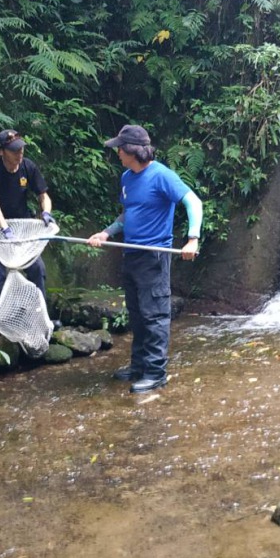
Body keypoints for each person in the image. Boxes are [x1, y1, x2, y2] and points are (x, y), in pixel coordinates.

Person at [87, 124, 201, 394]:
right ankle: (138, 367)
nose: (116, 153)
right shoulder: (127, 178)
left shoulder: (162, 176)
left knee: (155, 316)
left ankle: (155, 373)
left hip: (154, 256)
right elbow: (128, 214)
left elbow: (193, 202)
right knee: (137, 316)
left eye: (119, 149)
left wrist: (193, 238)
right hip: (131, 255)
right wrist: (106, 233)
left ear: (131, 151)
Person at [0, 129, 55, 310]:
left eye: (21, 149)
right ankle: (2, 321)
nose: (19, 153)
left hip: (23, 228)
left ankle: (40, 313)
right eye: (14, 150)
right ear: (1, 152)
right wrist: (5, 228)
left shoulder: (28, 166)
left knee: (37, 269)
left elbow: (43, 195)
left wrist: (46, 213)